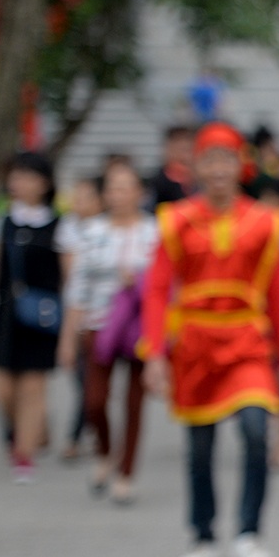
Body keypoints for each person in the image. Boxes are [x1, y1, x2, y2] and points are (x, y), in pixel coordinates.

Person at [140, 123, 279, 557]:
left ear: (240, 165)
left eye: (226, 159)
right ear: (195, 165)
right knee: (199, 445)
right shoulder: (176, 220)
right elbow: (156, 291)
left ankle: (249, 532)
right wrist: (153, 352)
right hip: (194, 342)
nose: (217, 169)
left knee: (255, 429)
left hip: (247, 340)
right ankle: (203, 533)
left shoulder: (265, 223)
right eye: (208, 159)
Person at [0, 151, 73, 482]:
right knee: (2, 386)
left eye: (27, 176)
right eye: (16, 176)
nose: (19, 183)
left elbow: (70, 280)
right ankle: (26, 430)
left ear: (44, 183)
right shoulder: (1, 222)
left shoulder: (60, 225)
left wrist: (71, 327)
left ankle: (24, 454)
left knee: (32, 386)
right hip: (7, 314)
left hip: (43, 316)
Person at [65, 160, 158, 503]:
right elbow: (77, 287)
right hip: (99, 325)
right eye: (112, 188)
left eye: (125, 187)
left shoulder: (155, 232)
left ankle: (126, 473)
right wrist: (68, 336)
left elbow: (168, 284)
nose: (117, 195)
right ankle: (105, 450)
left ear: (139, 192)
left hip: (140, 328)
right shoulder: (92, 232)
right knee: (94, 401)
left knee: (135, 404)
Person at [56, 175, 104, 461]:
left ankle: (82, 435)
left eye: (85, 197)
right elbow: (72, 277)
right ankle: (88, 432)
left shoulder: (109, 229)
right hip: (77, 313)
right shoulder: (69, 229)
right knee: (83, 380)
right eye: (76, 197)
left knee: (93, 381)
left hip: (105, 317)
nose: (78, 203)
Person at [149, 125, 195, 206]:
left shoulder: (201, 182)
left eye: (187, 149)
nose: (184, 156)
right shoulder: (157, 184)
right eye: (179, 149)